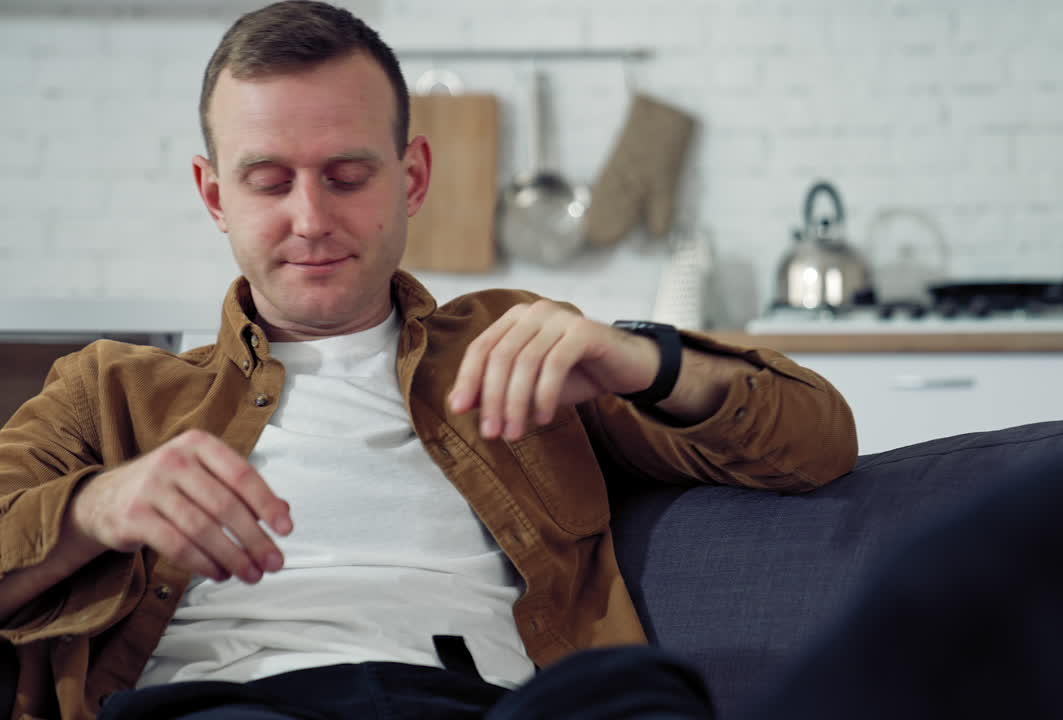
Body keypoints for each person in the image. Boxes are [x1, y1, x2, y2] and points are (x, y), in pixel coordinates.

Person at [0, 2, 858, 718]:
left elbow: (816, 444)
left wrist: (645, 361)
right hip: (235, 702)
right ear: (215, 194)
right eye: (269, 181)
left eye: (347, 175)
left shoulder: (517, 346)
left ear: (412, 178)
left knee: (642, 696)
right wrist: (95, 508)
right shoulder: (110, 391)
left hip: (490, 702)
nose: (310, 219)